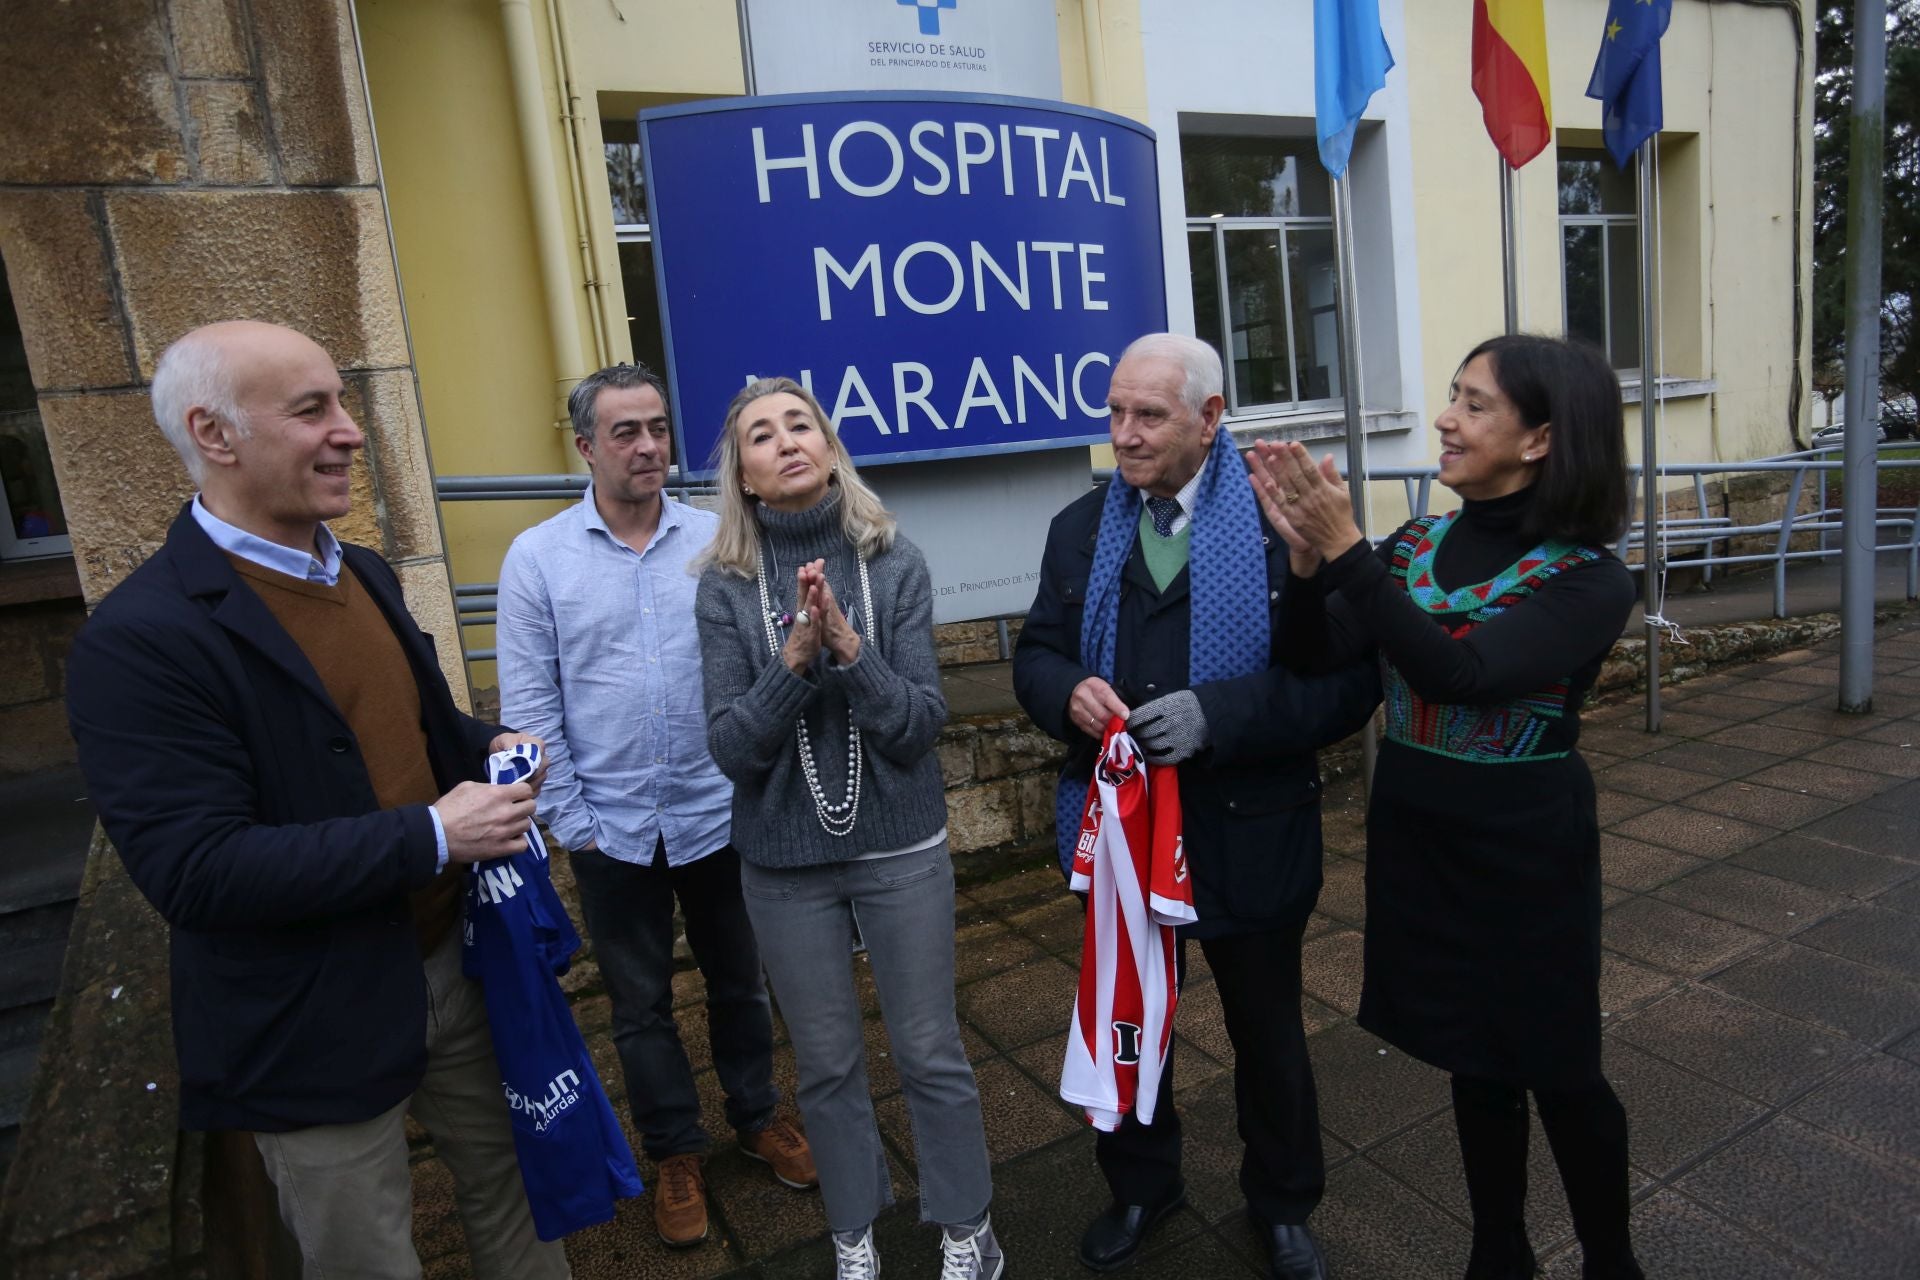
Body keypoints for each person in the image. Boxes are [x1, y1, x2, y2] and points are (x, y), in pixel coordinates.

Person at [65, 321, 568, 1277]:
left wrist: (485, 746)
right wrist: (431, 834)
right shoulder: (139, 641)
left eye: (341, 401)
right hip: (308, 1019)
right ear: (215, 436)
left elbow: (417, 732)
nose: (350, 429)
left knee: (519, 1195)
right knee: (364, 1256)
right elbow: (197, 872)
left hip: (457, 972)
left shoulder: (363, 570)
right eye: (313, 410)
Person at [1250, 333, 1642, 1280]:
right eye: (1451, 396)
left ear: (1541, 439)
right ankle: (1497, 1251)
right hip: (1421, 837)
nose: (1445, 418)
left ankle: (1611, 1260)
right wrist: (1308, 562)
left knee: (1562, 1068)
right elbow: (1312, 657)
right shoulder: (1417, 542)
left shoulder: (1587, 577)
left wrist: (1349, 555)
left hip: (1526, 849)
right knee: (1475, 1058)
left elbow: (1462, 675)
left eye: (1473, 404)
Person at [1014, 333, 1379, 1280]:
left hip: (1249, 829)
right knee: (1132, 1022)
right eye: (1115, 411)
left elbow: (1344, 687)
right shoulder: (1080, 528)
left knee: (1269, 1032)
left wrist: (1219, 715)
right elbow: (1036, 653)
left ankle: (1285, 1202)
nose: (1124, 435)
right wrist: (1066, 694)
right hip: (1125, 836)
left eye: (1150, 415)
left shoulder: (1282, 521)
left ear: (1211, 417)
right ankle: (1142, 1185)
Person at [495, 363, 816, 1249]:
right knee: (637, 1005)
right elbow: (529, 708)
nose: (647, 447)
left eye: (658, 429)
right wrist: (576, 823)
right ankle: (676, 1149)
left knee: (741, 982)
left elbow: (764, 664)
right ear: (586, 446)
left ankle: (756, 1116)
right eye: (625, 432)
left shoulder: (719, 538)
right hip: (614, 828)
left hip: (721, 813)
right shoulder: (539, 559)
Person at [694, 377, 1001, 1280]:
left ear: (829, 448)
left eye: (802, 424)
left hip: (900, 850)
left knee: (929, 1050)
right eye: (762, 433)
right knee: (825, 1066)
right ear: (744, 476)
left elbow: (914, 729)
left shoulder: (894, 562)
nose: (787, 440)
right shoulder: (722, 588)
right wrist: (791, 664)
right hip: (784, 866)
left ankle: (966, 1228)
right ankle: (853, 1229)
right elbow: (731, 751)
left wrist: (849, 653)